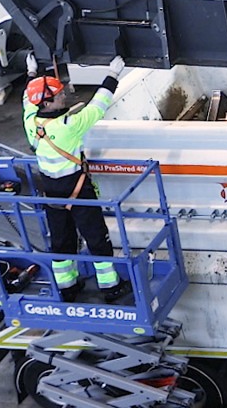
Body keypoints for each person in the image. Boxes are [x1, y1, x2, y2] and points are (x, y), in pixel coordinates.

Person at [23, 53, 131, 303]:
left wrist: (32, 73)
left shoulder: (31, 121)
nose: (65, 94)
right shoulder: (69, 126)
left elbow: (27, 99)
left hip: (51, 192)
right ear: (48, 103)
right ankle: (110, 286)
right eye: (60, 94)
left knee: (61, 240)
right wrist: (113, 74)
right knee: (96, 237)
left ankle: (67, 287)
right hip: (78, 190)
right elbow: (98, 106)